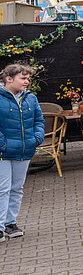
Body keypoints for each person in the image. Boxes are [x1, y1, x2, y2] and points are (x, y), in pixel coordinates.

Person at [0, 63, 44, 243]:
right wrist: (2, 144)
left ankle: (11, 224)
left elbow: (39, 120)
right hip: (3, 152)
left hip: (24, 150)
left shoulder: (30, 98)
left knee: (16, 188)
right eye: (23, 78)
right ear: (9, 79)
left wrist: (36, 138)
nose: (27, 81)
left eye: (28, 78)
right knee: (2, 189)